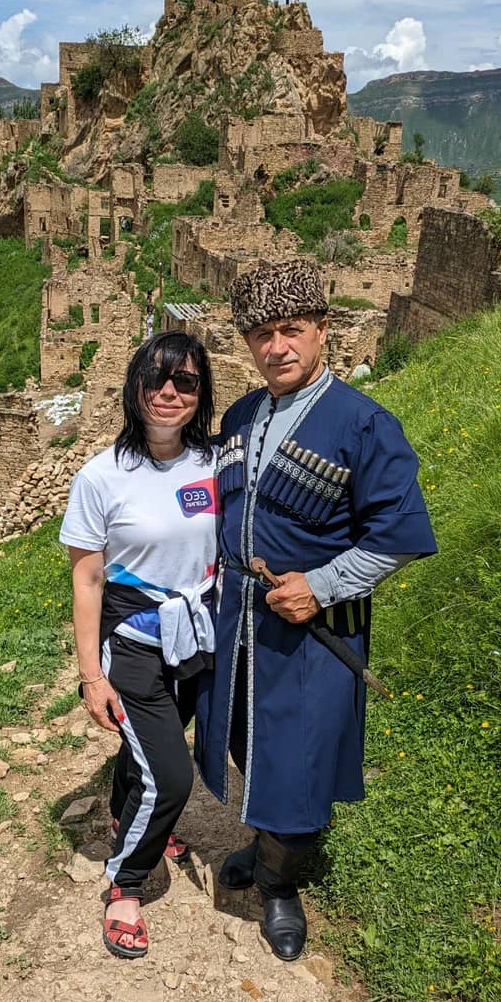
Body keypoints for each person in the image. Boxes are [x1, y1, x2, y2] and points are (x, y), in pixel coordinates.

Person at [195, 258, 437, 960]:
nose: (277, 347)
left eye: (291, 329)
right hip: (240, 621)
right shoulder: (241, 415)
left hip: (313, 631)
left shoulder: (363, 425)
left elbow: (397, 536)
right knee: (247, 740)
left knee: (300, 760)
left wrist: (323, 585)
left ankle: (278, 882)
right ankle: (263, 838)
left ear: (322, 330)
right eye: (261, 334)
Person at [60, 332, 217, 959]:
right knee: (173, 777)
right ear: (134, 387)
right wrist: (91, 676)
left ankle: (129, 814)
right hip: (131, 642)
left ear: (201, 393)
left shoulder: (213, 463)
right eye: (156, 379)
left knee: (149, 751)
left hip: (193, 635)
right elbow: (88, 581)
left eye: (186, 381)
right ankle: (125, 887)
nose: (169, 392)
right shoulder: (102, 477)